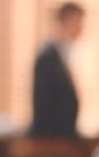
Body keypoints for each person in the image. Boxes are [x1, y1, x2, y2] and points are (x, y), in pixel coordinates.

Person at [29, 2, 85, 139]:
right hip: (51, 140)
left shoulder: (63, 56)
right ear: (67, 21)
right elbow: (46, 106)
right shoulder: (48, 58)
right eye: (78, 22)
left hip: (63, 138)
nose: (81, 28)